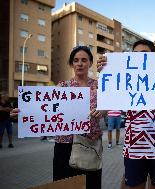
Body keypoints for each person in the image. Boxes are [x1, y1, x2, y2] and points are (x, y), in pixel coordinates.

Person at [97, 39, 155, 189]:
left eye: (144, 54)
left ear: (154, 57)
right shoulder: (126, 76)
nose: (139, 58)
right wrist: (107, 69)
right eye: (135, 54)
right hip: (133, 147)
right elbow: (111, 94)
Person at [10, 46, 105, 189]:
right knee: (64, 185)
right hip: (64, 146)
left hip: (89, 145)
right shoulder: (62, 88)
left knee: (90, 184)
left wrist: (104, 110)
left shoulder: (99, 87)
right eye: (76, 60)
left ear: (90, 63)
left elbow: (112, 107)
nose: (80, 63)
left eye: (84, 60)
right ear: (72, 64)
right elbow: (43, 108)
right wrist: (23, 112)